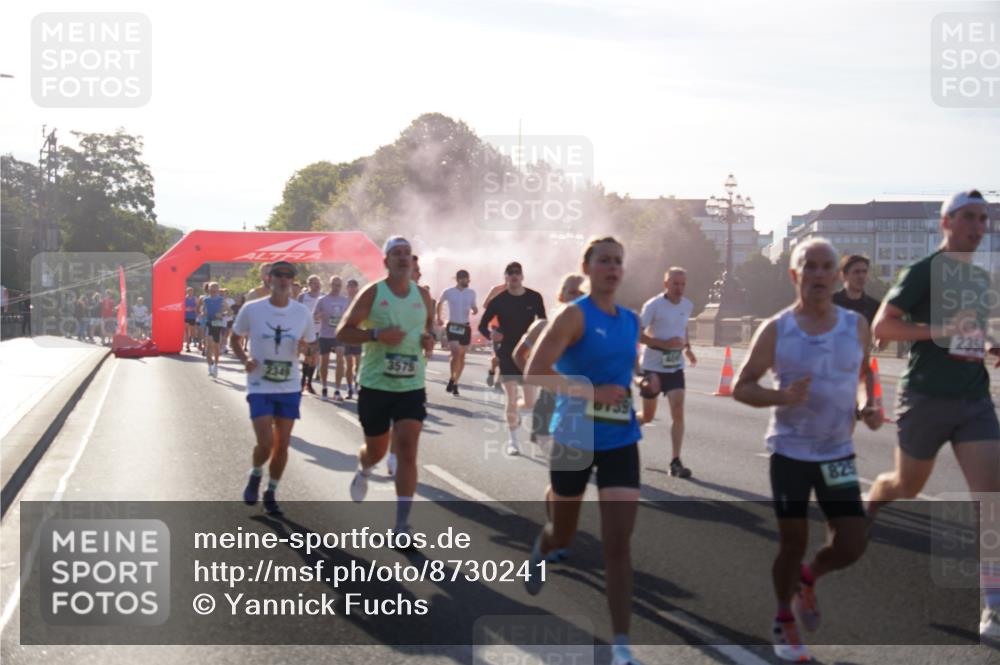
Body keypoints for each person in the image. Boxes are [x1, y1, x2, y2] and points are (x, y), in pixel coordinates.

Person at [733, 237, 881, 662]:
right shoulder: (777, 328)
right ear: (795, 275)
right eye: (809, 267)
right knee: (793, 540)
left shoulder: (855, 325)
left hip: (837, 453)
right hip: (790, 453)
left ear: (836, 276)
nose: (818, 275)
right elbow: (743, 386)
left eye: (825, 268)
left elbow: (865, 372)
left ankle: (808, 580)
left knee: (852, 544)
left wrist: (867, 406)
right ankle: (784, 617)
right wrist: (782, 398)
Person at [865, 190, 1000, 637]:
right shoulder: (923, 272)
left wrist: (993, 344)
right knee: (905, 485)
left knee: (991, 497)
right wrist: (939, 330)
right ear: (947, 223)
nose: (978, 227)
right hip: (925, 397)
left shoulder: (980, 281)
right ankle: (873, 502)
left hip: (974, 399)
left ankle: (993, 605)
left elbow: (978, 330)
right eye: (968, 218)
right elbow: (883, 326)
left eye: (983, 219)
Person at [522, 237, 643, 665]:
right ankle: (542, 544)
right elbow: (535, 371)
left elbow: (628, 367)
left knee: (618, 545)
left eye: (618, 262)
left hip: (621, 440)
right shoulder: (573, 316)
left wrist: (644, 382)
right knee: (564, 535)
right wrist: (591, 392)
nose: (612, 268)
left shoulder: (631, 320)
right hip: (575, 435)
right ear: (587, 267)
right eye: (604, 261)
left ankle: (622, 644)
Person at [340, 236, 435, 541]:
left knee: (407, 450)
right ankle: (364, 467)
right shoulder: (373, 293)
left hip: (411, 385)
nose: (403, 258)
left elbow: (429, 328)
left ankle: (402, 526)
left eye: (408, 253)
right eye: (397, 253)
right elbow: (344, 332)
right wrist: (377, 334)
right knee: (377, 451)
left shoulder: (423, 296)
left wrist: (428, 339)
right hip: (376, 385)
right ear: (386, 261)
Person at [231, 261, 316, 516]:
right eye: (278, 274)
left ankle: (271, 492)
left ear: (292, 281)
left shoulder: (302, 312)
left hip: (289, 385)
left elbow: (311, 346)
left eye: (288, 275)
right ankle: (256, 473)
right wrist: (244, 359)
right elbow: (234, 338)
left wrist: (306, 351)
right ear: (269, 279)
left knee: (283, 444)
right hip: (260, 383)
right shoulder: (252, 309)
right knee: (266, 442)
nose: (283, 279)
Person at [478, 262, 546, 456]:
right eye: (510, 273)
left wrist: (540, 343)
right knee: (511, 395)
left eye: (518, 273)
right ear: (505, 277)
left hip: (527, 352)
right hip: (506, 351)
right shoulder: (498, 301)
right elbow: (483, 325)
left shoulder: (535, 297)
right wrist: (492, 334)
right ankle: (513, 441)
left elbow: (543, 322)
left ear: (522, 276)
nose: (515, 276)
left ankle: (513, 414)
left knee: (530, 402)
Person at [636, 267, 698, 478]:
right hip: (652, 366)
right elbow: (638, 334)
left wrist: (688, 349)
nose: (679, 288)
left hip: (675, 367)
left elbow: (683, 327)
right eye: (675, 284)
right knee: (647, 416)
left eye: (682, 284)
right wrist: (662, 343)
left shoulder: (688, 305)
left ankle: (675, 461)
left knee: (678, 410)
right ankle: (619, 429)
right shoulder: (653, 305)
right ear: (666, 284)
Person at [437, 269, 478, 396]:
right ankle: (452, 378)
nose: (467, 281)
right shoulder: (449, 292)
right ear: (458, 279)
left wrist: (475, 310)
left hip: (465, 327)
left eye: (468, 278)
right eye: (464, 278)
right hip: (453, 326)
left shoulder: (471, 292)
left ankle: (455, 381)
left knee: (461, 356)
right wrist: (438, 317)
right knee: (455, 353)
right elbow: (439, 303)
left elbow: (473, 306)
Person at [315, 276, 350, 400]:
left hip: (339, 335)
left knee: (340, 359)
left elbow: (348, 316)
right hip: (325, 334)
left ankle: (337, 390)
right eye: (334, 285)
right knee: (324, 361)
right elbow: (315, 316)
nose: (337, 287)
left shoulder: (345, 300)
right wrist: (320, 315)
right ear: (330, 285)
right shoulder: (322, 300)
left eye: (339, 285)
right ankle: (324, 387)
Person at [831, 255, 880, 326]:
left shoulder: (874, 307)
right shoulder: (831, 303)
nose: (861, 276)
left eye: (864, 272)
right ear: (843, 275)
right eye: (856, 272)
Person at [298, 275, 323, 395]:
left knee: (315, 358)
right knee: (308, 357)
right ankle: (302, 381)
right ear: (309, 284)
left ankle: (309, 383)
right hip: (306, 330)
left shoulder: (323, 297)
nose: (316, 285)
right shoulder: (303, 297)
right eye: (314, 283)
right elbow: (296, 311)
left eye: (318, 282)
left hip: (320, 330)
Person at [203, 282, 229, 377]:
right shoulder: (205, 299)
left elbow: (229, 311)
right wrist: (203, 313)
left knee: (216, 347)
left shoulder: (221, 300)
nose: (214, 290)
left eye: (216, 288)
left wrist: (222, 314)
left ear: (218, 290)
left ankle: (216, 366)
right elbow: (202, 310)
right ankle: (210, 366)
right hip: (209, 323)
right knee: (209, 346)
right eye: (212, 288)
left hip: (218, 324)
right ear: (209, 289)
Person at [342, 279, 363, 399]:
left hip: (357, 336)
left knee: (359, 364)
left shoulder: (361, 301)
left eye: (354, 286)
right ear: (347, 288)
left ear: (357, 288)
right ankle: (349, 389)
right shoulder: (343, 301)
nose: (351, 288)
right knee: (349, 363)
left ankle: (357, 383)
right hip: (346, 336)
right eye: (349, 286)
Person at [184, 287, 198, 351]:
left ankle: (191, 338)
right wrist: (185, 309)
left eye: (191, 291)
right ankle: (187, 345)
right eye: (189, 291)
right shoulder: (184, 298)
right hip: (186, 316)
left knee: (192, 331)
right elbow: (181, 306)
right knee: (186, 330)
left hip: (193, 316)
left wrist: (192, 309)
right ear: (187, 292)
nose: (190, 292)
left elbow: (197, 307)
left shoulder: (195, 298)